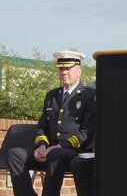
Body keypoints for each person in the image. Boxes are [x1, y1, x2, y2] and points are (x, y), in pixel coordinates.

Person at [8, 50, 95, 196]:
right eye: (61, 69)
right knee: (15, 153)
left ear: (79, 71)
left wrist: (60, 146)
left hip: (74, 152)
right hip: (50, 151)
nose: (64, 72)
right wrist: (41, 146)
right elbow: (42, 127)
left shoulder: (89, 95)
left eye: (68, 69)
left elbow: (88, 131)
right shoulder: (52, 95)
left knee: (57, 153)